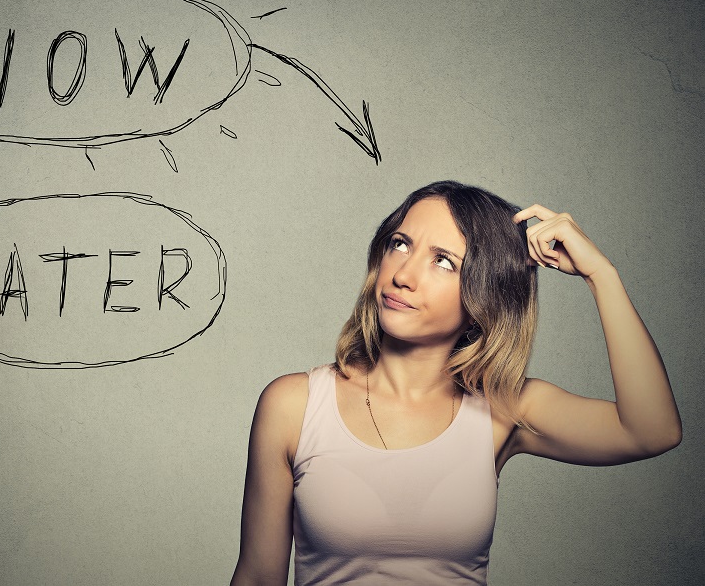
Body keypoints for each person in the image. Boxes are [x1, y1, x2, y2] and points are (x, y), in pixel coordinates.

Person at [229, 180, 681, 586]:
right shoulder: (294, 404)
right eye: (400, 244)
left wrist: (602, 276)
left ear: (486, 291)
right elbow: (256, 577)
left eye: (443, 261)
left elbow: (651, 430)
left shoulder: (505, 408)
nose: (402, 275)